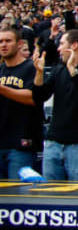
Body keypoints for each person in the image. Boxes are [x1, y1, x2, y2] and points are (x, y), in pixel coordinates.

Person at [32, 29, 78, 181]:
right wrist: (39, 74)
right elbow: (39, 97)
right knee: (50, 194)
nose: (58, 49)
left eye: (61, 44)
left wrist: (73, 71)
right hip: (53, 141)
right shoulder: (58, 70)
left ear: (73, 46)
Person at [0, 27, 43, 179]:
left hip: (22, 143)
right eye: (0, 42)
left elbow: (33, 98)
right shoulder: (0, 70)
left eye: (8, 41)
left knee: (18, 195)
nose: (3, 45)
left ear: (19, 44)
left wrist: (2, 89)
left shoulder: (32, 68)